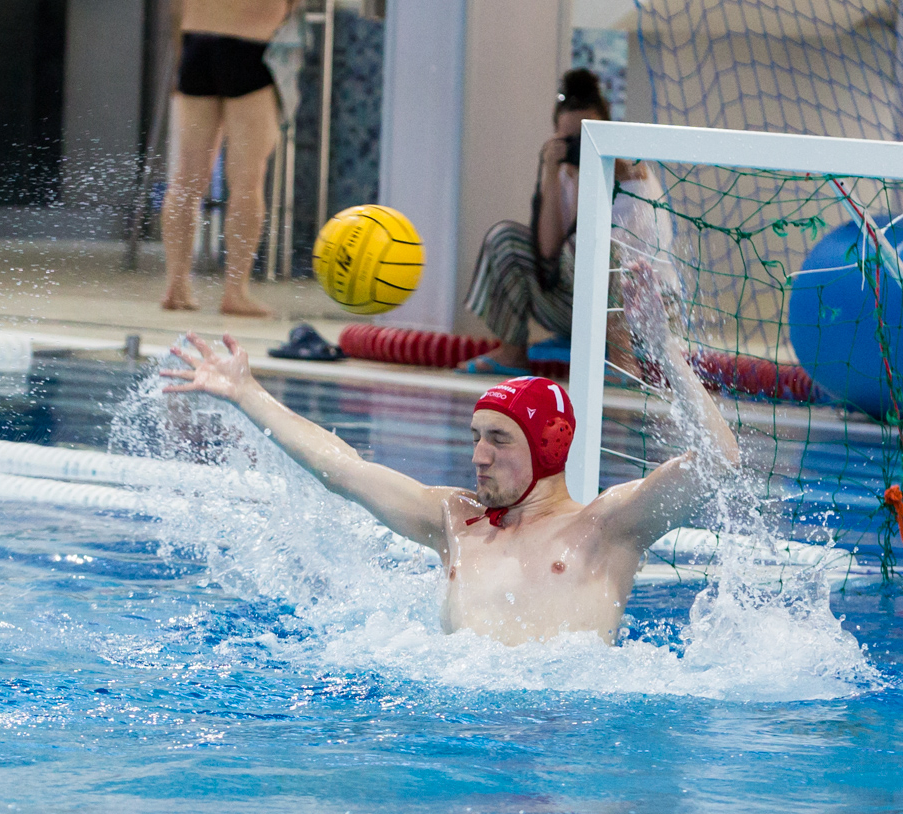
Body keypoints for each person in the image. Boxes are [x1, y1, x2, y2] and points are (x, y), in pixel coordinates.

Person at [160, 263, 739, 646]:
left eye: (499, 438)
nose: (479, 456)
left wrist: (667, 352)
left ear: (547, 448)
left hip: (564, 730)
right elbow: (344, 469)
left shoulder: (605, 529)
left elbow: (720, 464)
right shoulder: (455, 521)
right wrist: (247, 393)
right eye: (475, 437)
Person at [127, 0, 312, 318]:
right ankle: (235, 291)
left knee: (186, 177)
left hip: (197, 49)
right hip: (246, 51)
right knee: (246, 178)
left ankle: (175, 286)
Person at [459, 69, 655, 376]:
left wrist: (602, 161)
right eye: (570, 139)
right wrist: (552, 172)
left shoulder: (634, 175)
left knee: (593, 240)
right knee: (505, 236)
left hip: (643, 315)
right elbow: (547, 253)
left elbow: (615, 253)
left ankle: (622, 358)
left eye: (587, 137)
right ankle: (512, 352)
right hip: (576, 311)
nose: (580, 146)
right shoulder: (565, 176)